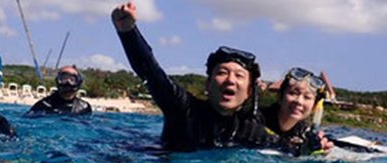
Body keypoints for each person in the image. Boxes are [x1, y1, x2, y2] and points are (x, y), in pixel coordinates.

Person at [112, 2, 279, 151]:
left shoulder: (253, 133)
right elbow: (151, 73)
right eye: (222, 72)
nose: (230, 80)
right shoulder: (184, 109)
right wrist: (127, 31)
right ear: (207, 84)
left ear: (249, 91)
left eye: (239, 75)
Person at [260, 67, 335, 156]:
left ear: (314, 107)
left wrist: (320, 150)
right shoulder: (255, 120)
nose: (299, 101)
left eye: (307, 97)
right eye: (293, 93)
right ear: (280, 97)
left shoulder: (304, 133)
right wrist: (301, 151)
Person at [26, 65, 93, 116]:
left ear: (78, 82)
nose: (67, 83)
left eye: (72, 80)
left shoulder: (84, 107)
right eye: (63, 79)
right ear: (58, 81)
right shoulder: (44, 105)